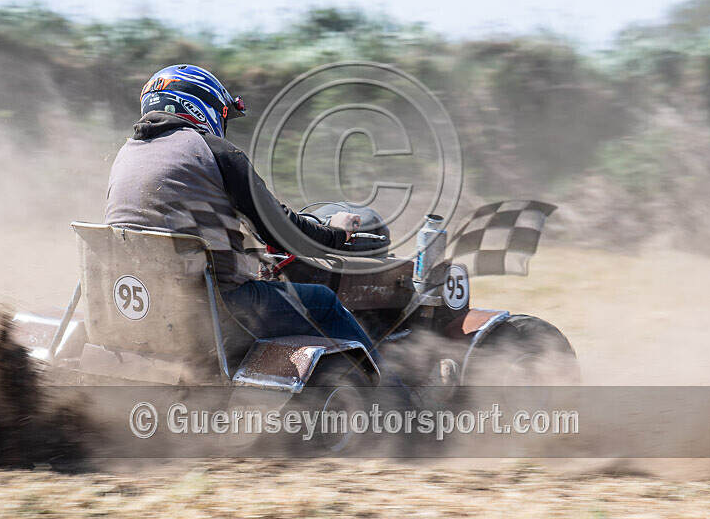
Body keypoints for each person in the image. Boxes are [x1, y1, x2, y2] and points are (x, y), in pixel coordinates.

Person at [105, 64, 455, 403]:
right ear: (201, 104)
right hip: (213, 310)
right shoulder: (215, 152)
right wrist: (333, 233)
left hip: (138, 309)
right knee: (324, 302)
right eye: (222, 114)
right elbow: (281, 230)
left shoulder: (126, 155)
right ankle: (404, 406)